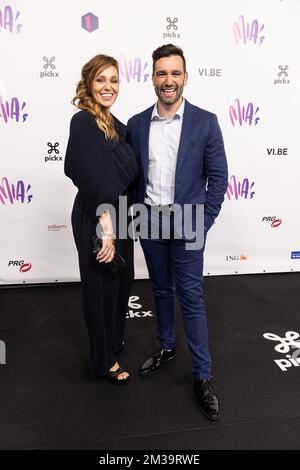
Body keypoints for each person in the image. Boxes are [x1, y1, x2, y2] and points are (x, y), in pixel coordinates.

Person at [127, 44, 228, 419]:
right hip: (150, 221)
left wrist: (203, 221)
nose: (168, 80)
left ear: (185, 77)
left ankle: (202, 376)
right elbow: (130, 174)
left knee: (191, 297)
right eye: (161, 73)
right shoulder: (137, 123)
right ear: (152, 77)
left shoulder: (206, 121)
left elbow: (218, 179)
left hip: (188, 221)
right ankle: (166, 347)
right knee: (161, 290)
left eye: (175, 73)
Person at [64, 54, 138, 384]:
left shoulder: (116, 125)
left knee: (121, 281)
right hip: (98, 216)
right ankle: (103, 361)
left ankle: (112, 342)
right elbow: (94, 179)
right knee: (100, 286)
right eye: (101, 80)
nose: (108, 87)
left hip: (121, 215)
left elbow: (128, 174)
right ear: (89, 84)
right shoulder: (83, 122)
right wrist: (106, 230)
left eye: (114, 80)